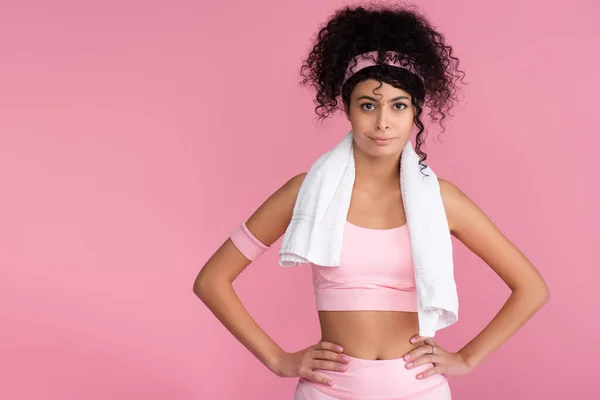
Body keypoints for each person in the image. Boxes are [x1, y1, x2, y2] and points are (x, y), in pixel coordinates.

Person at [194, 4, 549, 399]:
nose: (382, 121)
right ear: (346, 109)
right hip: (328, 392)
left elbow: (531, 287)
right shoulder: (307, 192)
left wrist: (466, 358)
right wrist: (277, 359)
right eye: (368, 105)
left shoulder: (443, 201)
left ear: (415, 112)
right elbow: (211, 280)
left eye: (398, 105)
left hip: (418, 391)